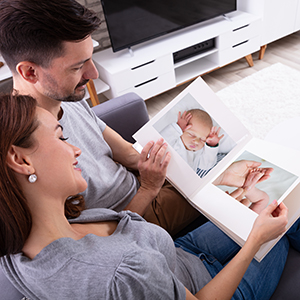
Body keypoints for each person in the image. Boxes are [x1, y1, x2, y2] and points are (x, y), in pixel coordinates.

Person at [0, 0, 270, 237]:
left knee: (224, 163)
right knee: (250, 196)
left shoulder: (67, 99)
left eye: (90, 58)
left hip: (143, 184)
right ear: (30, 73)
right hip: (136, 215)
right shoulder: (29, 153)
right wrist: (150, 188)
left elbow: (129, 155)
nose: (93, 74)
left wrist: (169, 160)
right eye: (77, 66)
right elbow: (97, 240)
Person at [1, 92, 300, 300]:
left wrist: (148, 187)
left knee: (267, 206)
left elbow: (125, 231)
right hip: (203, 285)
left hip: (178, 252)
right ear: (21, 160)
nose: (76, 149)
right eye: (60, 137)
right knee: (281, 223)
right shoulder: (122, 273)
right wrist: (255, 243)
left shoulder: (26, 239)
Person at [160, 109, 224, 178]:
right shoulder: (174, 141)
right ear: (182, 129)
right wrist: (177, 127)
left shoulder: (199, 152)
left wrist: (211, 146)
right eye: (192, 135)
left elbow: (206, 166)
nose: (196, 141)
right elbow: (161, 140)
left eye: (202, 139)